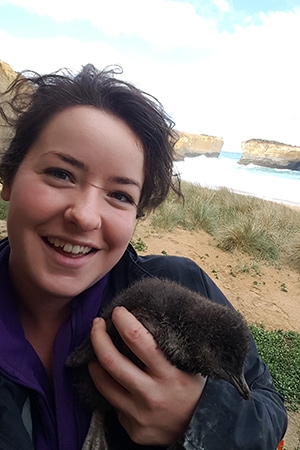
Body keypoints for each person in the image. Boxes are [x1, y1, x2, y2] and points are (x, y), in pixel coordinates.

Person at [0, 64, 287, 450]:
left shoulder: (185, 284)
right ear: (9, 177)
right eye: (61, 173)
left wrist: (197, 420)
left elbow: (267, 405)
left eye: (120, 195)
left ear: (137, 214)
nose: (84, 216)